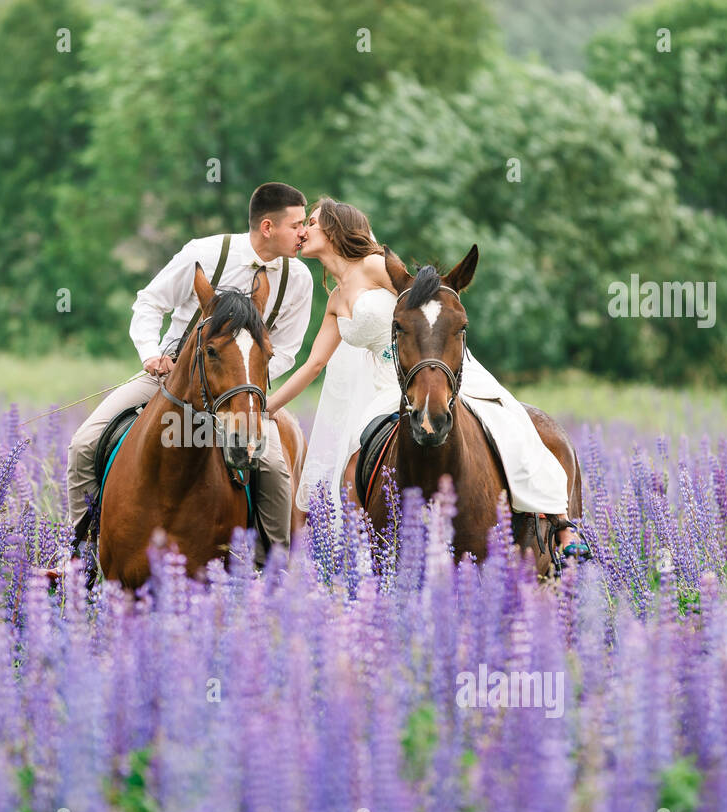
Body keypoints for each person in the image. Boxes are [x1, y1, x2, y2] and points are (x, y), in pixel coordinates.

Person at [266, 196, 587, 558]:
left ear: (336, 227)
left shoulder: (374, 266)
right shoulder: (336, 299)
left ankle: (560, 523)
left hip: (427, 367)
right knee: (353, 458)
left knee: (508, 418)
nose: (303, 229)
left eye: (311, 221)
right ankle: (367, 551)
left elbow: (426, 301)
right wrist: (267, 406)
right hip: (385, 388)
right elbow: (313, 365)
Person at [66, 182, 314, 562]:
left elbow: (287, 350)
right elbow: (149, 303)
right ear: (268, 227)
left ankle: (272, 567)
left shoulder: (299, 280)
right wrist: (150, 355)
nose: (305, 233)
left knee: (275, 467)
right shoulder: (204, 253)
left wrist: (244, 384)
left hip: (240, 393)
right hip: (167, 378)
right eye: (297, 225)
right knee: (85, 443)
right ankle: (77, 554)